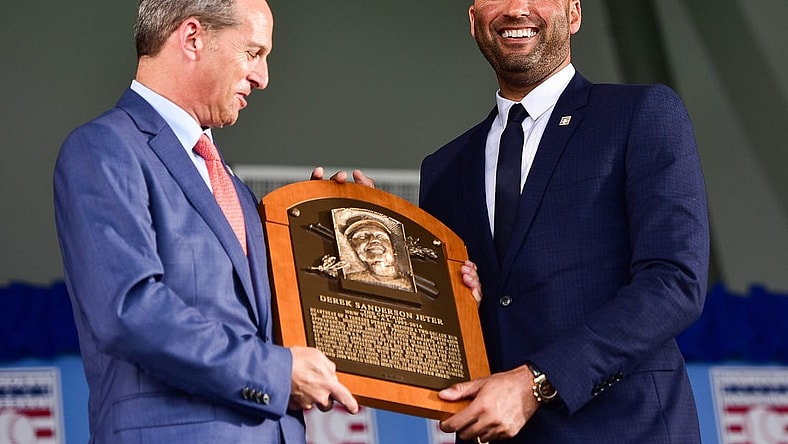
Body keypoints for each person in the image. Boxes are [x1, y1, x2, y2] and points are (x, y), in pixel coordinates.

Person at [53, 0, 373, 442]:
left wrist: (329, 241)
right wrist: (275, 375)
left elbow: (265, 322)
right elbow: (130, 310)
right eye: (253, 53)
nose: (263, 78)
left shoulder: (234, 189)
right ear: (192, 38)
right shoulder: (103, 148)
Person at [419, 0, 710, 443]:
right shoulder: (443, 169)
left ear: (573, 13)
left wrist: (537, 381)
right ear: (474, 20)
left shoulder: (640, 114)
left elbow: (675, 281)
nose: (516, 8)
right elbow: (447, 321)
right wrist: (365, 219)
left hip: (626, 430)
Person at [342, 216, 415, 292]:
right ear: (353, 247)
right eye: (362, 237)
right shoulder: (352, 278)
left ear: (393, 249)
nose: (374, 240)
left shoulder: (408, 282)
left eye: (380, 237)